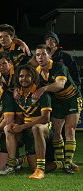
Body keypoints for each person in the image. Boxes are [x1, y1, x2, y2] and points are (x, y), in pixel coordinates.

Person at [33, 44, 82, 174]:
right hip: (57, 101)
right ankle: (61, 162)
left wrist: (43, 88)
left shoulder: (60, 67)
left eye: (43, 54)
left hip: (72, 98)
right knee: (56, 132)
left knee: (70, 130)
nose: (40, 57)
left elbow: (60, 85)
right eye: (37, 55)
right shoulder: (36, 71)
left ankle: (68, 163)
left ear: (50, 56)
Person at [2, 64, 52, 180]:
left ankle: (42, 169)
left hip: (44, 129)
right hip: (27, 129)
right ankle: (12, 163)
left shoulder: (41, 94)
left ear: (33, 77)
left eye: (27, 76)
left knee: (37, 128)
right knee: (8, 128)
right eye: (21, 76)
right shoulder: (18, 95)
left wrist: (22, 127)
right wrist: (16, 126)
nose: (24, 79)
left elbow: (45, 118)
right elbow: (20, 118)